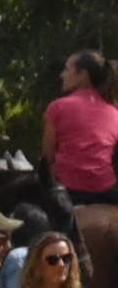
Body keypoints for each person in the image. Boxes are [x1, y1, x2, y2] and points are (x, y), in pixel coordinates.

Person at [42, 50, 118, 205]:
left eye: (67, 69)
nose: (62, 75)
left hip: (69, 192)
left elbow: (47, 159)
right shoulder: (114, 112)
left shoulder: (57, 107)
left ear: (82, 74)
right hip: (107, 192)